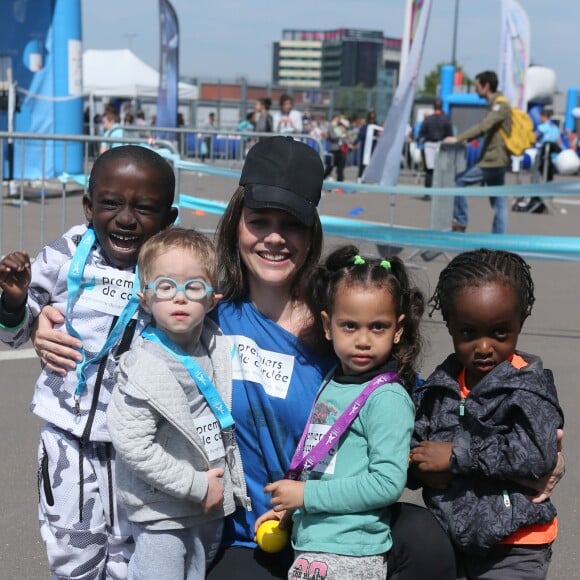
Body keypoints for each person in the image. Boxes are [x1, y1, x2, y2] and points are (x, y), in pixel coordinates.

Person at [0, 145, 178, 578]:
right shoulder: (64, 254)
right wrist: (14, 301)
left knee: (128, 551)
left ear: (168, 218)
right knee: (72, 547)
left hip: (139, 444)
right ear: (88, 206)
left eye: (145, 208)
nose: (125, 218)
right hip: (67, 438)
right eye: (111, 203)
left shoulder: (173, 267)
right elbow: (16, 333)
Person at [258, 245, 424, 579]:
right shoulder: (334, 381)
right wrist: (293, 511)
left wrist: (307, 495)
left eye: (378, 327)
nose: (363, 340)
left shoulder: (386, 397)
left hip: (351, 552)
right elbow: (327, 467)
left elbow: (387, 483)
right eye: (349, 326)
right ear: (328, 325)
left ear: (399, 329)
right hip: (315, 544)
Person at [410, 249, 564, 579]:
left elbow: (536, 455)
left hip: (516, 543)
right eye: (468, 333)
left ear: (521, 319)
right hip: (453, 537)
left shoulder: (528, 387)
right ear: (449, 323)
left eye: (499, 332)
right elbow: (417, 440)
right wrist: (418, 467)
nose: (483, 347)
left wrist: (457, 456)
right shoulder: (441, 385)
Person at [107, 227, 249, 579]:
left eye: (193, 287)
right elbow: (134, 446)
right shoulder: (143, 366)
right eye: (166, 287)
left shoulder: (212, 348)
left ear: (212, 300)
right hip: (162, 512)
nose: (180, 298)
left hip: (205, 509)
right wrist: (196, 485)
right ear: (145, 299)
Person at [444, 71, 511, 234]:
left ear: (486, 86)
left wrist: (458, 138)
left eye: (477, 86)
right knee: (498, 201)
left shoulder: (500, 106)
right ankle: (498, 240)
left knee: (460, 181)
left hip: (492, 160)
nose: (475, 90)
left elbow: (483, 126)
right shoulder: (496, 104)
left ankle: (460, 221)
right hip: (498, 160)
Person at [513, 109, 562, 214]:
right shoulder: (555, 128)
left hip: (541, 153)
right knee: (548, 176)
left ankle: (535, 196)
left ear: (544, 116)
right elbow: (558, 141)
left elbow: (534, 137)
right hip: (551, 155)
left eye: (541, 117)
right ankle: (547, 194)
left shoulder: (542, 127)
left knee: (535, 175)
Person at [419, 98, 454, 189]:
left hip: (429, 145)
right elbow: (450, 135)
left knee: (429, 170)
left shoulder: (428, 119)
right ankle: (440, 190)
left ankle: (427, 192)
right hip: (442, 146)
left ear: (433, 106)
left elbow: (421, 134)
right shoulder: (446, 119)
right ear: (441, 106)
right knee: (442, 170)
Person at [323, 113, 347, 182]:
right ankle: (321, 181)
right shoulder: (331, 126)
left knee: (340, 168)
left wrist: (343, 131)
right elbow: (332, 136)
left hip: (340, 149)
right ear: (335, 118)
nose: (339, 119)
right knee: (329, 167)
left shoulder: (339, 126)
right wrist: (341, 136)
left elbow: (345, 135)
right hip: (333, 149)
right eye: (338, 118)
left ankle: (340, 184)